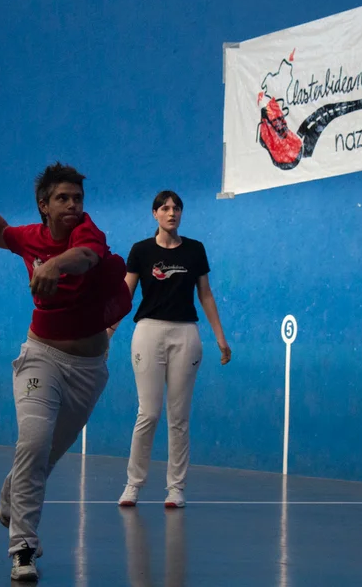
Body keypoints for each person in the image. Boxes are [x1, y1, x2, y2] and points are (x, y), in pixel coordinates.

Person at [0, 163, 131, 583]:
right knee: (33, 443)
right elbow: (0, 233)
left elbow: (85, 258)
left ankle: (12, 492)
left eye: (77, 198)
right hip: (40, 357)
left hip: (88, 370)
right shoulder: (31, 237)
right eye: (62, 199)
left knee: (45, 455)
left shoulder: (88, 233)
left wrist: (53, 265)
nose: (72, 206)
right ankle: (23, 548)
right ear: (44, 205)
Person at [112, 190, 232, 509]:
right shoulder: (141, 250)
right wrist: (107, 331)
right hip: (148, 332)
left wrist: (220, 338)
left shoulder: (195, 250)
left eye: (176, 208)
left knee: (178, 417)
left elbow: (205, 295)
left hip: (185, 334)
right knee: (148, 413)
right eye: (165, 208)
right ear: (154, 213)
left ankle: (176, 488)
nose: (171, 213)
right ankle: (133, 484)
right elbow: (125, 294)